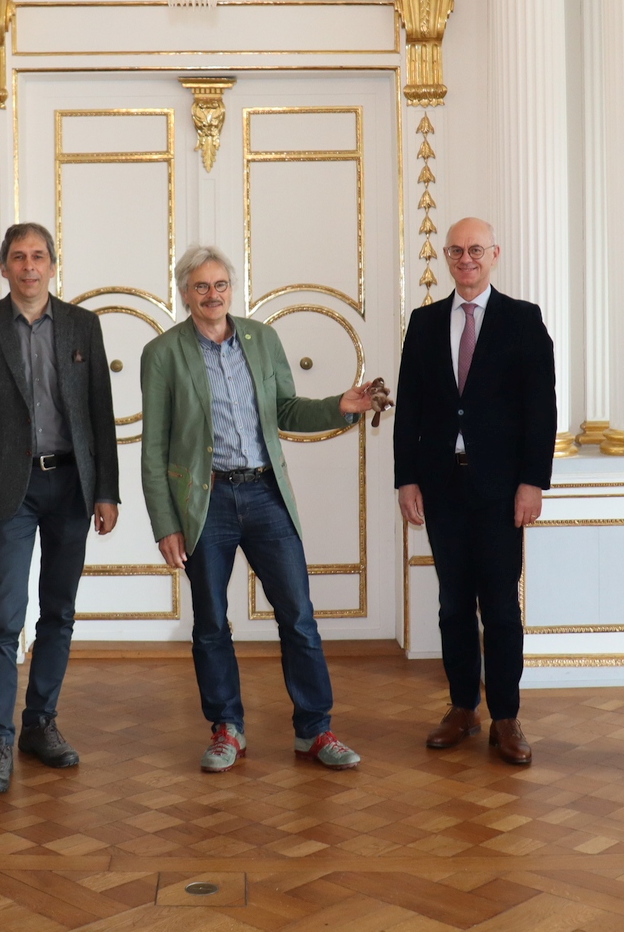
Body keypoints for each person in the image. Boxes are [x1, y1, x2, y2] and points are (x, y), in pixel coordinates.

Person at [140, 245, 386, 773]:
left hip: (266, 494)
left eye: (222, 284)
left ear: (232, 288)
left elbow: (286, 412)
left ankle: (315, 731)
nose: (214, 295)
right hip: (205, 504)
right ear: (185, 293)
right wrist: (165, 523)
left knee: (298, 617)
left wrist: (339, 406)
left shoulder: (261, 339)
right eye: (203, 286)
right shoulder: (162, 354)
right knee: (210, 622)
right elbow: (154, 449)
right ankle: (227, 729)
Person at [0, 223, 120, 795]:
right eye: (18, 257)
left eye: (38, 256)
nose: (29, 266)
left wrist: (107, 491)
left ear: (52, 265)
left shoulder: (82, 326)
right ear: (2, 267)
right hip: (7, 492)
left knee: (59, 611)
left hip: (71, 486)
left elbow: (101, 413)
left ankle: (39, 724)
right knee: (2, 617)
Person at [393, 217, 557, 765]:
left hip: (501, 489)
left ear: (495, 254)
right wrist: (406, 477)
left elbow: (541, 409)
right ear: (445, 257)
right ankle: (463, 708)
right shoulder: (423, 322)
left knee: (501, 608)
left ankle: (506, 717)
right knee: (452, 605)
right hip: (441, 486)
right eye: (457, 250)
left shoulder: (523, 320)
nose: (466, 259)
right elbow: (409, 410)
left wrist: (533, 482)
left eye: (476, 250)